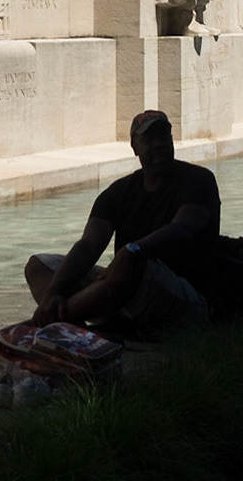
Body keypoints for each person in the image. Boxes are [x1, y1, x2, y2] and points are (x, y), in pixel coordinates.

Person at [24, 111, 219, 337]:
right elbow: (88, 245)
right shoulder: (118, 192)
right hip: (125, 290)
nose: (158, 144)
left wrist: (132, 250)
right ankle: (69, 326)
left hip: (187, 297)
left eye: (163, 136)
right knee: (39, 265)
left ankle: (53, 323)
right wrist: (53, 291)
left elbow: (182, 229)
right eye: (148, 139)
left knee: (134, 262)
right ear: (134, 146)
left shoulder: (198, 180)